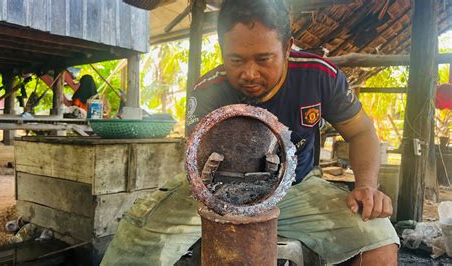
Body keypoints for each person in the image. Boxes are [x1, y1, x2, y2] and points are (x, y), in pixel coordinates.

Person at [102, 1, 399, 265]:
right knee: (136, 240)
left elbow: (362, 134)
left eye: (263, 59)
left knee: (379, 238)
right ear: (222, 51)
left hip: (299, 189)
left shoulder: (319, 75)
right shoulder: (208, 91)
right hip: (216, 191)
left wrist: (367, 186)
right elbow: (196, 161)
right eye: (236, 60)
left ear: (287, 47)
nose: (249, 73)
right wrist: (213, 194)